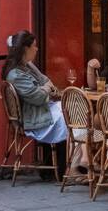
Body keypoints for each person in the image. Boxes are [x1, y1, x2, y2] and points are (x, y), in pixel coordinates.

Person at [6, 30, 86, 179]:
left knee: (78, 109)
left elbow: (46, 81)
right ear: (26, 49)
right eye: (34, 46)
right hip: (36, 118)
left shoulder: (26, 68)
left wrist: (44, 84)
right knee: (74, 115)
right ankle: (75, 166)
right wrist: (46, 88)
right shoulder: (16, 74)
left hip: (42, 110)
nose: (37, 49)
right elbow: (38, 96)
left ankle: (77, 163)